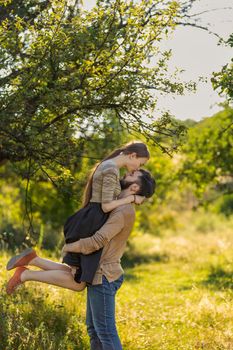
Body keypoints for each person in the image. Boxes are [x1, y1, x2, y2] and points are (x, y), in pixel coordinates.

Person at [5, 168, 155, 350]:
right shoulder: (115, 201)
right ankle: (31, 265)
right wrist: (132, 198)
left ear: (134, 187)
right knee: (94, 330)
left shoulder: (123, 211)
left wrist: (71, 247)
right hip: (95, 269)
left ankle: (29, 269)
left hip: (104, 275)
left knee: (105, 332)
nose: (126, 173)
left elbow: (97, 241)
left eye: (131, 175)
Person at [62, 140, 150, 285]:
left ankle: (32, 265)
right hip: (94, 219)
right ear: (133, 156)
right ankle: (27, 273)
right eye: (140, 163)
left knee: (77, 279)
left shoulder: (110, 166)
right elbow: (106, 207)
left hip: (92, 217)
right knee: (77, 280)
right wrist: (131, 198)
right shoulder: (111, 169)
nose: (137, 168)